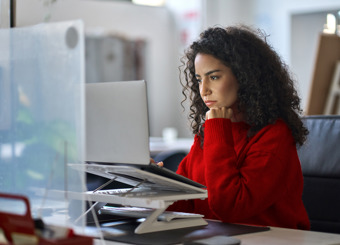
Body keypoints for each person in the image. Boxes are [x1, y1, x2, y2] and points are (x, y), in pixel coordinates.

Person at [166, 25, 310, 230]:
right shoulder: (209, 134)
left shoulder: (275, 135)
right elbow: (185, 204)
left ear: (244, 78)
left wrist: (217, 129)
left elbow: (230, 207)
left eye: (214, 77)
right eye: (199, 79)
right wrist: (155, 184)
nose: (203, 90)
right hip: (217, 237)